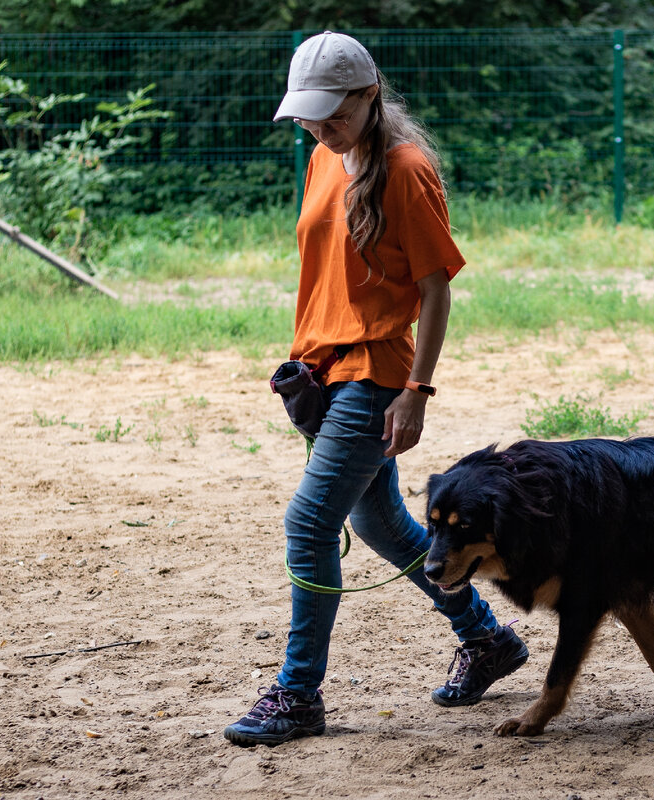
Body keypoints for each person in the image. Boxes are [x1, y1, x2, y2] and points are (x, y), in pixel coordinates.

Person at [224, 31, 528, 747]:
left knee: (309, 523)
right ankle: (486, 640)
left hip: (377, 376)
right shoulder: (328, 158)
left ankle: (298, 694)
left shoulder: (406, 169)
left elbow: (434, 290)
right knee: (383, 527)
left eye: (332, 115)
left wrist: (416, 390)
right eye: (308, 116)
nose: (318, 129)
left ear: (369, 95)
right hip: (324, 375)